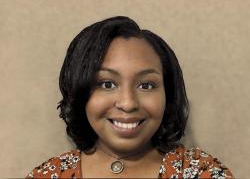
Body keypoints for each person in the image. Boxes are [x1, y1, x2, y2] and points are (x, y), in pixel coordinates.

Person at [26, 16, 234, 178]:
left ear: (167, 95)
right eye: (107, 84)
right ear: (80, 93)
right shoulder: (48, 175)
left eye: (146, 85)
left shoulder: (203, 173)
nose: (128, 103)